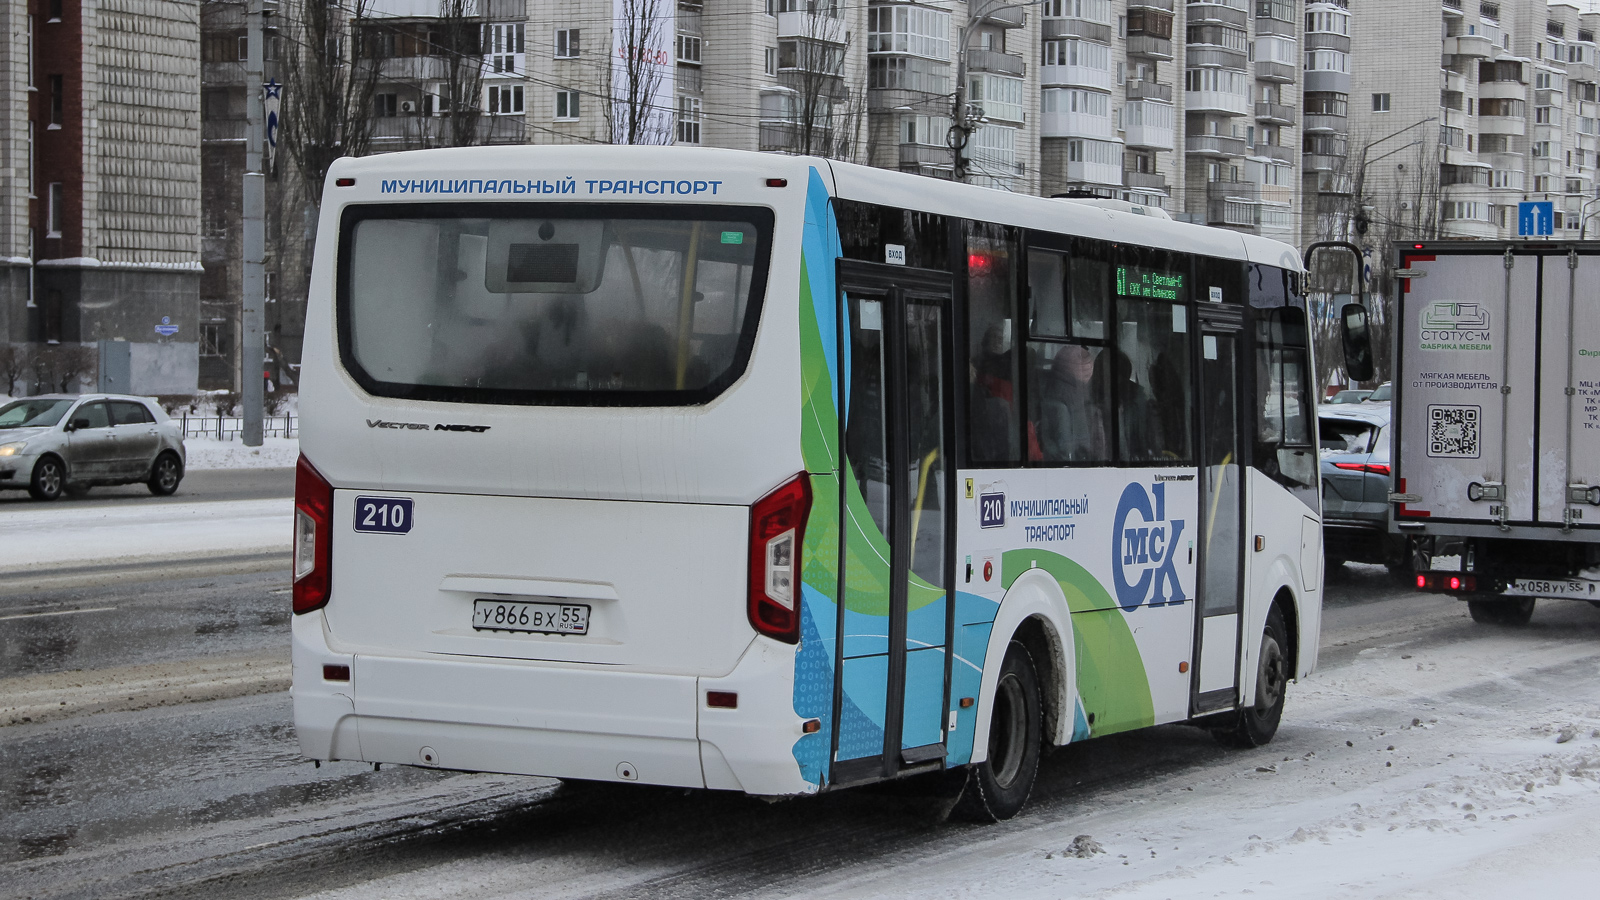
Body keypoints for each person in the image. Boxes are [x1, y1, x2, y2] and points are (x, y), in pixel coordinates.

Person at [1038, 344, 1106, 462]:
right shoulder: (1066, 401)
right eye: (1084, 367)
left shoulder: (1052, 389)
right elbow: (1065, 446)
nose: (1089, 371)